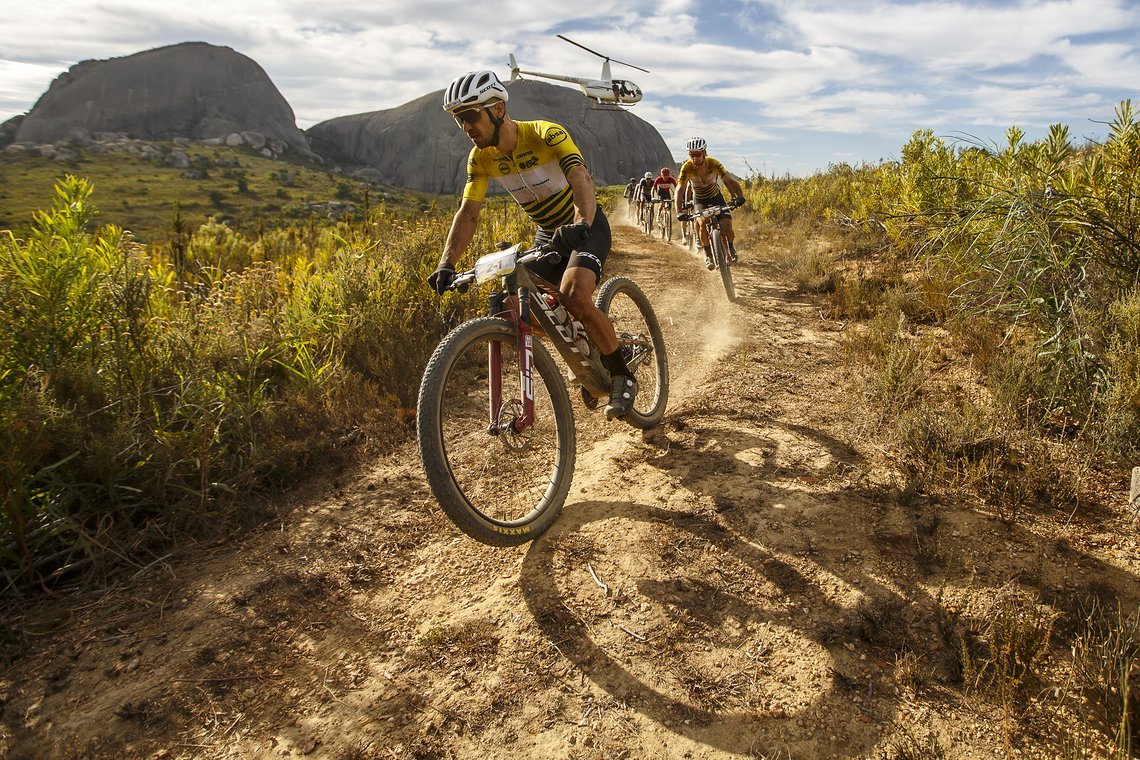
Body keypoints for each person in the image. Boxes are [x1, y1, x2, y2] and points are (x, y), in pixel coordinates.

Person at [428, 70, 637, 419]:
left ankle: (622, 375)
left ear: (497, 109)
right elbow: (469, 213)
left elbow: (580, 178)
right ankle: (585, 346)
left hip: (584, 223)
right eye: (458, 120)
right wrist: (446, 262)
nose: (465, 127)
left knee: (574, 295)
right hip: (547, 232)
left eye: (470, 116)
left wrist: (582, 222)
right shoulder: (480, 158)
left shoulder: (544, 133)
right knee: (513, 303)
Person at [675, 137, 746, 270]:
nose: (694, 158)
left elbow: (729, 181)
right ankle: (708, 254)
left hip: (716, 197)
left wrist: (739, 197)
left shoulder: (713, 163)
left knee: (727, 224)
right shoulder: (687, 167)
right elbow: (679, 190)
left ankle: (730, 247)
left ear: (704, 153)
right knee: (701, 224)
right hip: (699, 200)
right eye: (691, 154)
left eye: (697, 154)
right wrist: (679, 211)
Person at [652, 167, 678, 231]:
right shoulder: (658, 179)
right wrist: (653, 196)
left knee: (669, 206)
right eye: (664, 176)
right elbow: (653, 188)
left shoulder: (671, 179)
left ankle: (668, 220)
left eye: (667, 176)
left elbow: (677, 189)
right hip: (660, 192)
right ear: (661, 175)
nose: (665, 177)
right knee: (662, 203)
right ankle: (658, 216)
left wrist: (676, 196)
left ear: (669, 175)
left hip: (667, 192)